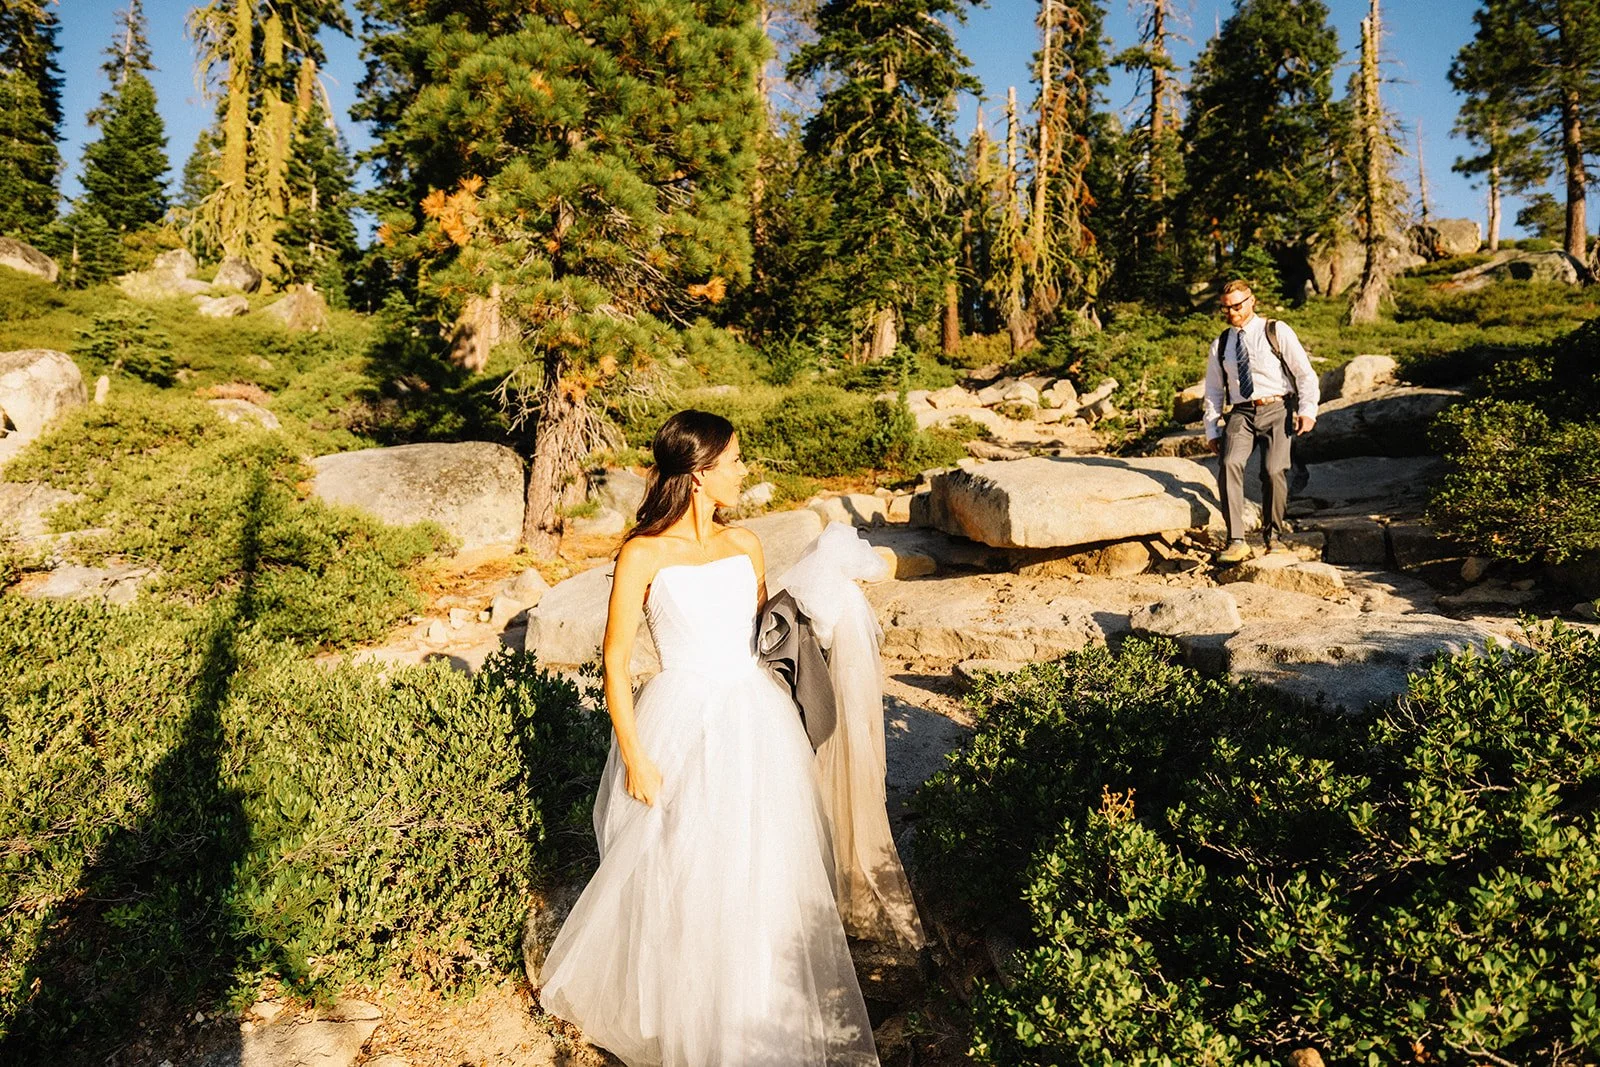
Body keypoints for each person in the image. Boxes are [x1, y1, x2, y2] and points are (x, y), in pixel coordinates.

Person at [537, 410, 880, 1066]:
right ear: (699, 474)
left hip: (755, 719)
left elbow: (765, 637)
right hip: (680, 720)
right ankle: (692, 1017)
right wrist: (634, 754)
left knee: (760, 864)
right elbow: (614, 659)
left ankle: (762, 1014)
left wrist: (821, 602)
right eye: (734, 461)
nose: (743, 472)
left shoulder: (746, 543)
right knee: (686, 868)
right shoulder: (642, 552)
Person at [1202, 279, 1320, 563]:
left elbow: (1304, 373)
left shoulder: (1276, 330)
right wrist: (1211, 429)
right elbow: (1214, 390)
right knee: (1229, 463)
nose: (1232, 312)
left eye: (1237, 306)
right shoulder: (1222, 343)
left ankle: (1274, 537)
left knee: (1273, 471)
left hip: (1278, 408)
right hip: (1241, 412)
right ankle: (1236, 540)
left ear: (1251, 301)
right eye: (1226, 308)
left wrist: (1307, 410)